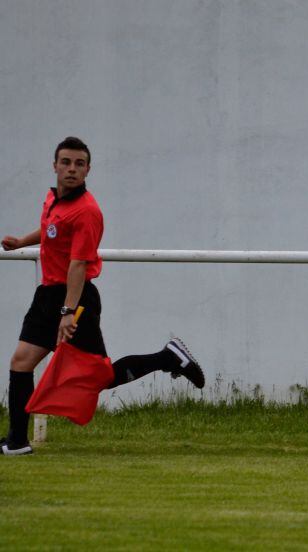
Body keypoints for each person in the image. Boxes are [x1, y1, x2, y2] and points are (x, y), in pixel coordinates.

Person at [1, 137, 205, 456]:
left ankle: (168, 357)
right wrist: (22, 242)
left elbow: (79, 265)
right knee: (21, 362)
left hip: (75, 299)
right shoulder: (53, 199)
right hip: (48, 295)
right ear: (54, 166)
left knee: (97, 378)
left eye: (79, 164)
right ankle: (16, 441)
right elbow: (51, 229)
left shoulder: (87, 211)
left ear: (88, 170)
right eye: (66, 162)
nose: (71, 169)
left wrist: (68, 312)